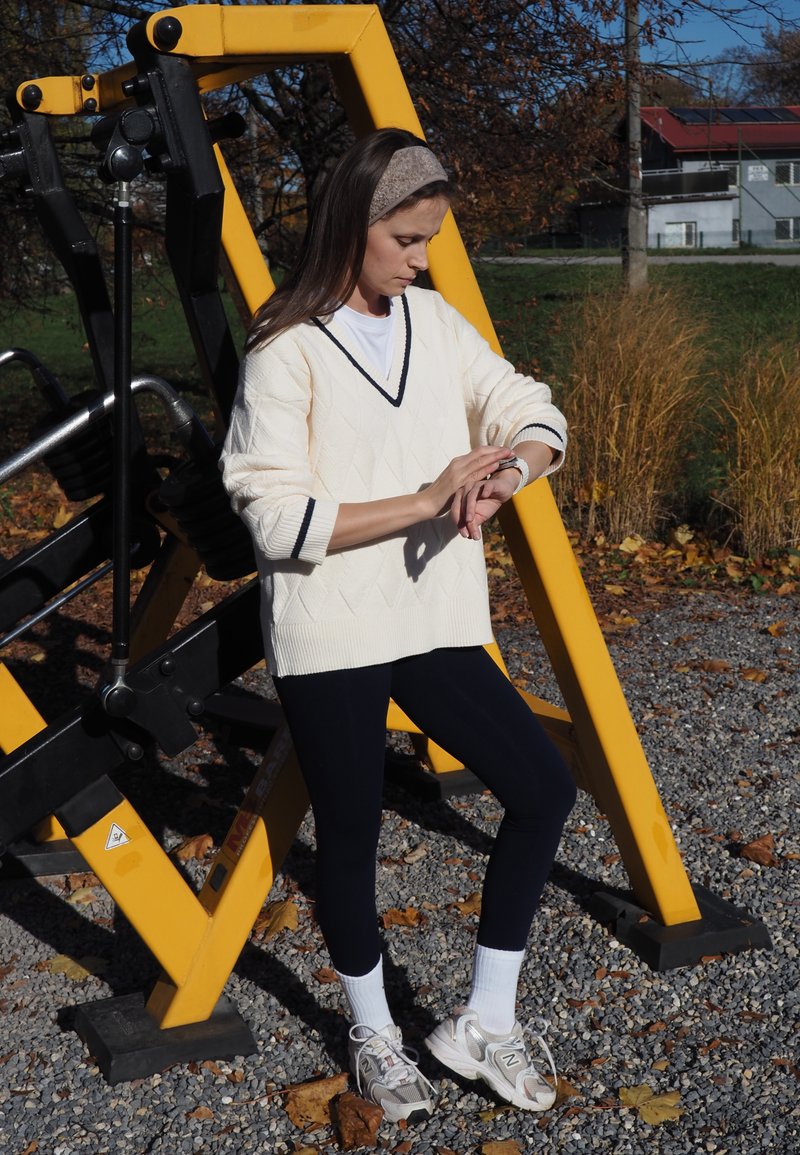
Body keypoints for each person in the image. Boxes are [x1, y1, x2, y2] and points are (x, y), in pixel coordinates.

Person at [220, 127, 577, 1124]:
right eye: (409, 240)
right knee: (352, 834)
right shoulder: (284, 350)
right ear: (356, 223)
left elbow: (528, 405)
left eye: (428, 241)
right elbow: (276, 518)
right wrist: (427, 497)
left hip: (429, 617)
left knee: (542, 788)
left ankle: (480, 1023)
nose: (422, 259)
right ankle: (374, 1034)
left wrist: (509, 469)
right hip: (331, 624)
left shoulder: (434, 322)